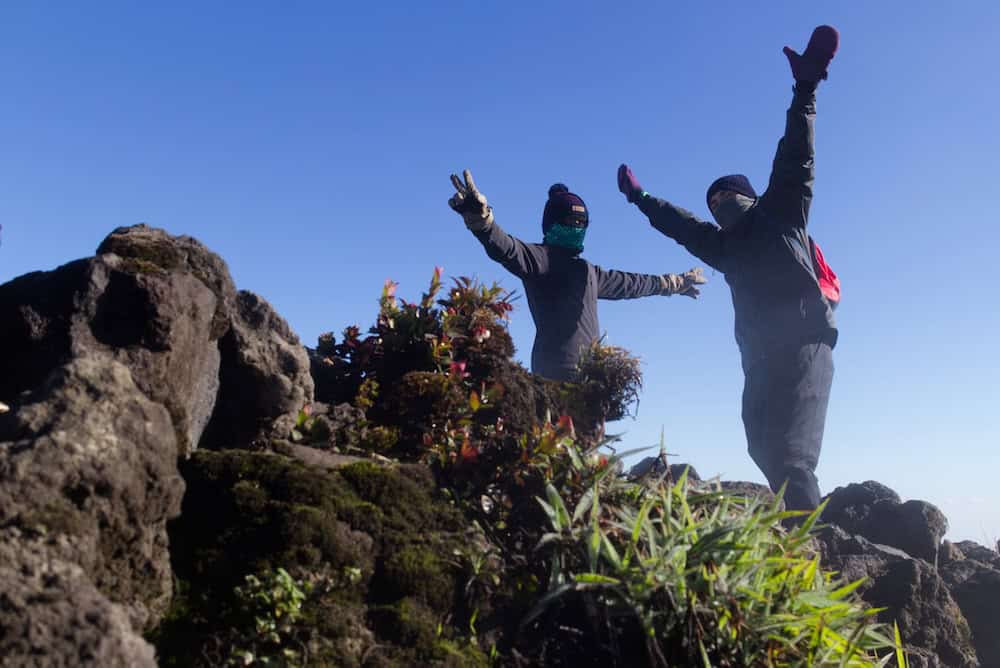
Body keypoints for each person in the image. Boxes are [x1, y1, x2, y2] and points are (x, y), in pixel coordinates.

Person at [616, 25, 840, 511]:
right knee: (760, 444)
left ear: (750, 196)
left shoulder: (782, 212)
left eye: (727, 195)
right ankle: (790, 534)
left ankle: (814, 561)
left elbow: (796, 157)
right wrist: (642, 200)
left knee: (793, 456)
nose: (719, 203)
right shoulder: (723, 248)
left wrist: (805, 90)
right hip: (759, 357)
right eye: (713, 201)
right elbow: (682, 226)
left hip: (804, 343)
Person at [448, 170, 705, 381]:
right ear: (551, 224)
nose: (574, 229)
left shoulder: (589, 273)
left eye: (580, 225)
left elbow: (633, 284)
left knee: (586, 442)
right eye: (568, 223)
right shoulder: (540, 259)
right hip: (552, 380)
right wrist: (483, 224)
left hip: (591, 381)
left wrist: (676, 283)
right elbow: (507, 248)